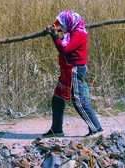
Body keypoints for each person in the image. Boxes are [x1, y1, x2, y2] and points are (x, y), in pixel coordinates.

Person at [42, 10, 103, 138]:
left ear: (70, 23)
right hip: (67, 69)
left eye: (63, 25)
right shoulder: (70, 33)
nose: (61, 27)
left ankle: (96, 128)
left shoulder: (78, 34)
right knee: (57, 98)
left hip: (74, 69)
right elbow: (62, 44)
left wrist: (55, 35)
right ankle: (56, 129)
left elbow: (64, 49)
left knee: (78, 100)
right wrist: (54, 31)